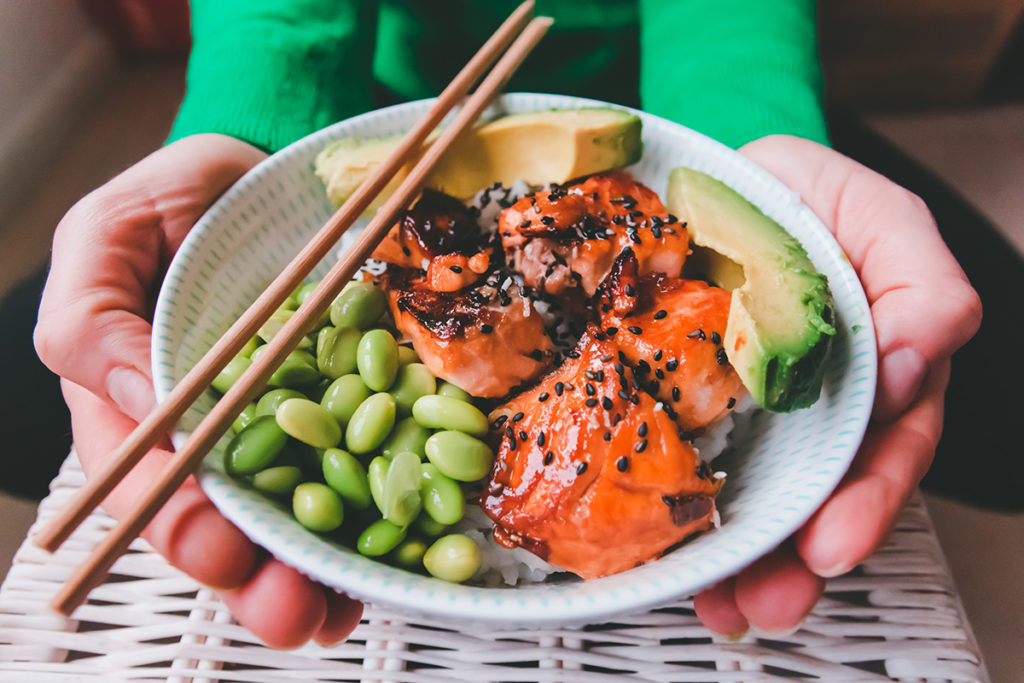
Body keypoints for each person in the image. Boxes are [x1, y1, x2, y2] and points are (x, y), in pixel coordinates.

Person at [33, 0, 980, 647]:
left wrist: (753, 138)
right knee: (28, 392)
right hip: (385, 123)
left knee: (990, 411)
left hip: (668, 117)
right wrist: (253, 125)